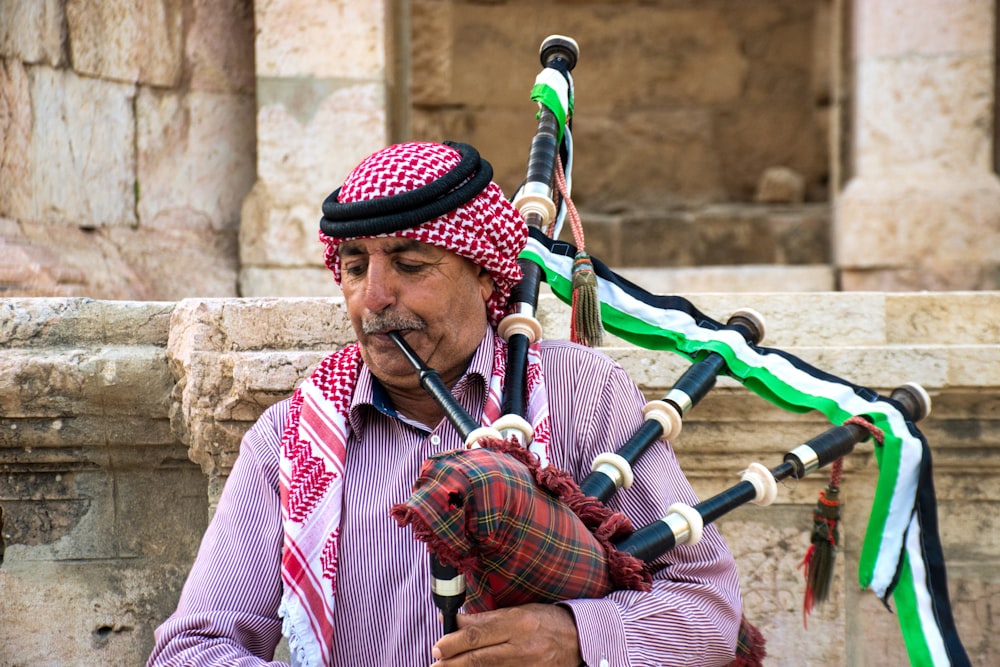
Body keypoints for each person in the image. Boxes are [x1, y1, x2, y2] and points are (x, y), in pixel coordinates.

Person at [148, 141, 742, 667]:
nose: (374, 299)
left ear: (486, 276)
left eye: (409, 265)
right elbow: (192, 650)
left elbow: (707, 608)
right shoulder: (292, 437)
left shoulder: (581, 393)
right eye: (356, 268)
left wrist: (576, 639)